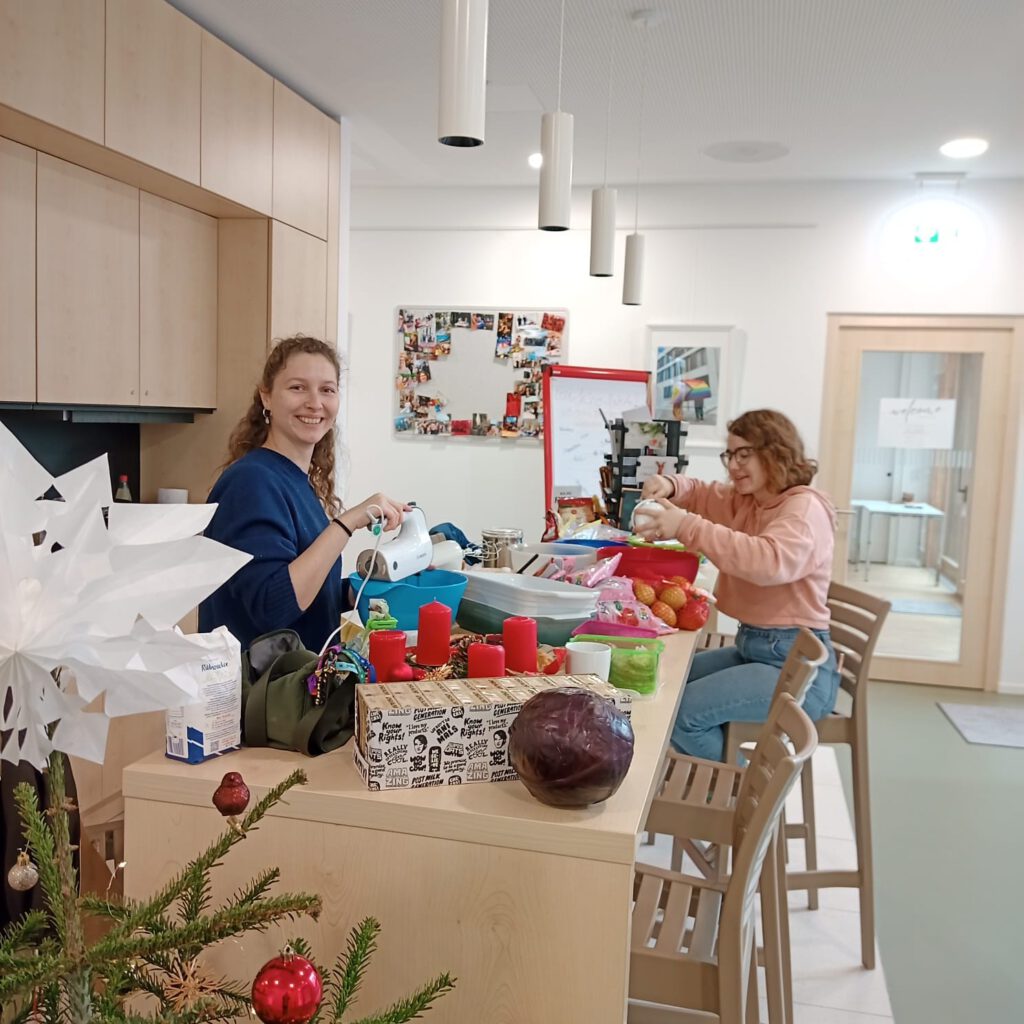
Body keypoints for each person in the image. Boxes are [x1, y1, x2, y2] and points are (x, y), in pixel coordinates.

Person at [634, 408, 839, 762]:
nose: (733, 465)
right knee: (668, 683)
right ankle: (728, 773)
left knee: (681, 715)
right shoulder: (753, 502)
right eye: (729, 455)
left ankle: (738, 789)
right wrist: (672, 485)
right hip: (760, 650)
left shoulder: (804, 510)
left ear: (776, 452)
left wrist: (686, 525)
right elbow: (703, 494)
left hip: (796, 669)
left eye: (744, 454)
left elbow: (767, 562)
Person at [199, 335, 408, 652]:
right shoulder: (251, 482)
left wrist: (367, 587)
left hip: (301, 678)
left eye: (327, 390)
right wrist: (348, 522)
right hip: (262, 684)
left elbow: (308, 592)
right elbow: (272, 607)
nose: (315, 402)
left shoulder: (295, 482)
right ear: (267, 398)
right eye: (298, 387)